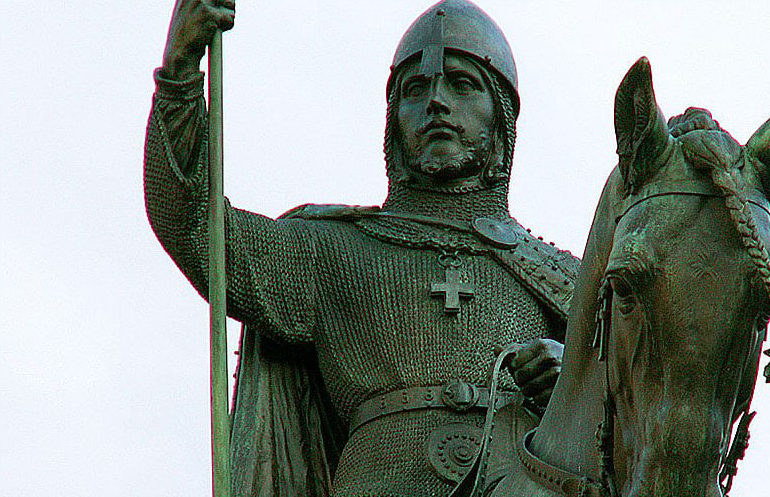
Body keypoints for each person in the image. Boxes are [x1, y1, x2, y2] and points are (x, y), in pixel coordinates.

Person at [145, 0, 577, 495]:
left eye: (462, 84)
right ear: (394, 119)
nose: (437, 102)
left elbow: (641, 410)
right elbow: (194, 224)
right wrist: (179, 73)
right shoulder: (332, 249)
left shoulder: (563, 283)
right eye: (416, 89)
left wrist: (572, 385)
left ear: (500, 118)